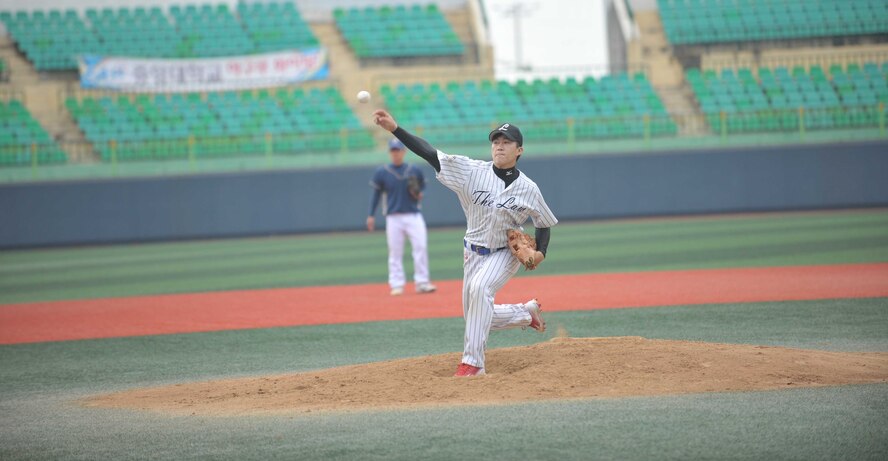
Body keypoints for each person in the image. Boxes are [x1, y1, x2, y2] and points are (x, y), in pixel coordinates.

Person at [373, 110, 557, 377]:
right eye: (496, 141)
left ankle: (473, 364)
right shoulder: (471, 172)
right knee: (475, 316)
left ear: (519, 150)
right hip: (472, 253)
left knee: (481, 288)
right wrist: (395, 129)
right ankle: (525, 315)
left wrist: (541, 252)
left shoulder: (529, 188)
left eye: (506, 142)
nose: (499, 146)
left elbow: (544, 222)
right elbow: (431, 154)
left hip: (504, 253)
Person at [367, 138, 438, 296]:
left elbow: (422, 188)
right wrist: (371, 215)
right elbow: (376, 195)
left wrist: (419, 193)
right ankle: (397, 284)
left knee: (420, 247)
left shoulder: (414, 170)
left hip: (414, 215)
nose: (396, 153)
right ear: (389, 152)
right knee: (395, 252)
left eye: (398, 150)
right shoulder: (382, 172)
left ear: (403, 152)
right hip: (393, 218)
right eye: (393, 150)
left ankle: (422, 282)